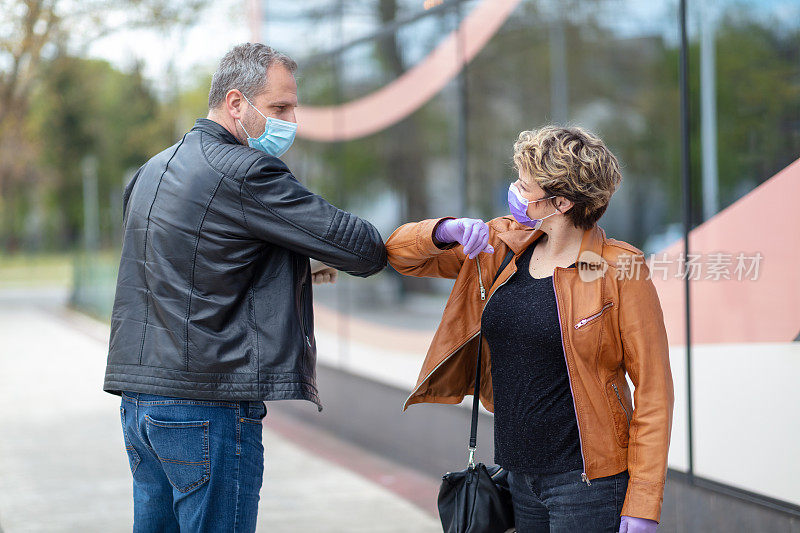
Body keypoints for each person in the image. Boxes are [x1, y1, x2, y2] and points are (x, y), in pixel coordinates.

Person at [103, 43, 387, 532]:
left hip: (141, 405)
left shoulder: (150, 172)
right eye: (279, 108)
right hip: (205, 408)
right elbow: (360, 246)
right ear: (236, 103)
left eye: (294, 107)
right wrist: (433, 236)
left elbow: (199, 272)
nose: (292, 120)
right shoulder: (246, 172)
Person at [385, 126, 673, 533]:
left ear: (560, 202)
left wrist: (644, 500)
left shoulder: (619, 270)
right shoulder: (499, 246)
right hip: (517, 476)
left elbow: (654, 391)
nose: (515, 190)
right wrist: (442, 231)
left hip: (587, 485)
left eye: (524, 184)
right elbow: (399, 255)